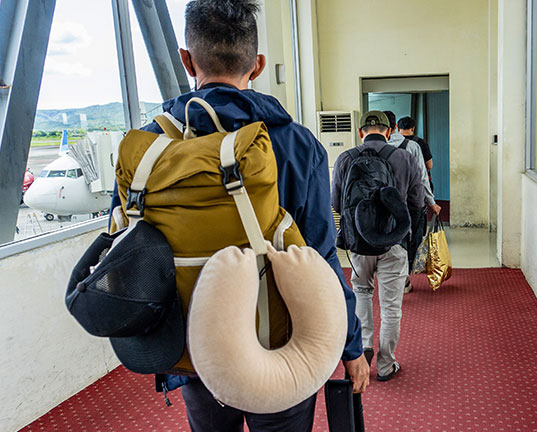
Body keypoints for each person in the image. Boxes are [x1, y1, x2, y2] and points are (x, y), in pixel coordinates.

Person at [108, 1, 368, 430]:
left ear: (186, 60)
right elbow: (321, 257)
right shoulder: (295, 144)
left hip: (193, 346)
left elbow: (129, 248)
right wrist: (351, 348)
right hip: (282, 343)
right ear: (259, 65)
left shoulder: (149, 148)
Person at [331, 111, 424, 382]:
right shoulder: (403, 157)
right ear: (390, 130)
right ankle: (386, 364)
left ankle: (365, 347)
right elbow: (416, 202)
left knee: (361, 292)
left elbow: (336, 203)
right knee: (391, 305)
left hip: (359, 242)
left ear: (361, 132)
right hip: (393, 242)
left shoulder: (345, 159)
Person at [384, 111, 439, 293]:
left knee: (389, 239)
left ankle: (392, 279)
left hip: (384, 203)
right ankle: (405, 276)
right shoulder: (413, 146)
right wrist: (431, 202)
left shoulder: (374, 146)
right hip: (412, 201)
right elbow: (423, 176)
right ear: (394, 127)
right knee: (410, 239)